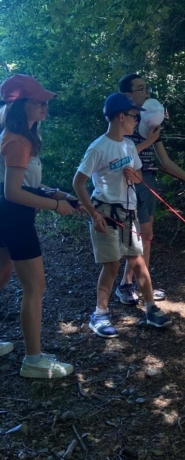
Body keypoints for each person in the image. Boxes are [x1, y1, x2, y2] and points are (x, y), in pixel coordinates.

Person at [72, 93, 172, 338]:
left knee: (138, 261)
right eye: (134, 117)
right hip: (106, 214)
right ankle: (100, 315)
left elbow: (137, 176)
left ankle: (150, 309)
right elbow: (78, 183)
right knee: (112, 264)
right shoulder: (99, 147)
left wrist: (132, 176)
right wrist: (94, 214)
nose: (137, 121)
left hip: (129, 214)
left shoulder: (128, 145)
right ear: (120, 117)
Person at [0, 74, 76, 378]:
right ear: (21, 106)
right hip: (13, 216)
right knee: (35, 287)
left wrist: (58, 194)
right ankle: (33, 360)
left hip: (7, 213)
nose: (45, 106)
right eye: (38, 102)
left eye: (45, 101)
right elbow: (13, 192)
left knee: (3, 275)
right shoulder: (17, 140)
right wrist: (58, 206)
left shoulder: (20, 137)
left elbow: (23, 183)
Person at [114, 74, 185, 305]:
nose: (147, 93)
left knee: (147, 236)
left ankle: (143, 285)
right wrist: (148, 143)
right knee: (134, 236)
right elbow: (118, 156)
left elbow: (164, 161)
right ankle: (127, 285)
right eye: (141, 89)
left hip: (149, 180)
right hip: (128, 183)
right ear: (128, 95)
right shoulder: (120, 120)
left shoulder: (151, 123)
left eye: (147, 88)